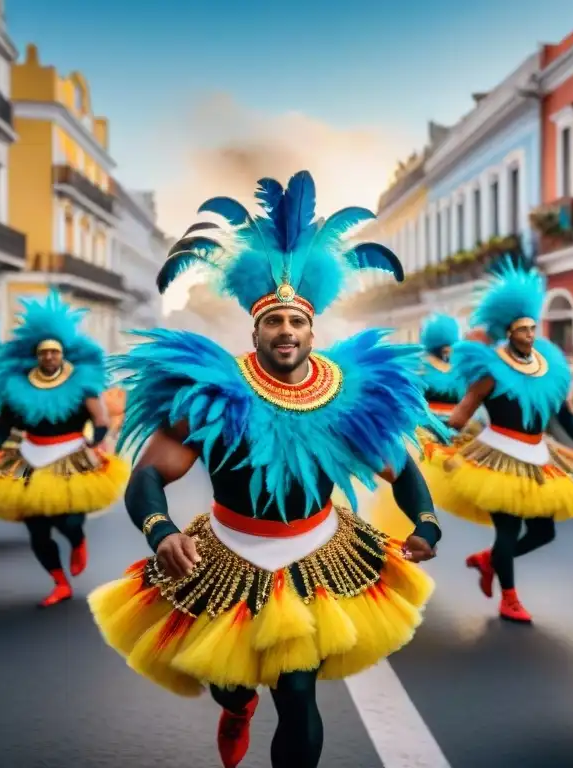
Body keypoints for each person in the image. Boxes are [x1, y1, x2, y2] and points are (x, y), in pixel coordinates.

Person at [87, 172, 441, 768]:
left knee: (298, 692)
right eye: (274, 322)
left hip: (317, 552)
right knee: (231, 679)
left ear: (312, 330)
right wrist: (161, 531)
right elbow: (147, 476)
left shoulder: (347, 398)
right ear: (255, 329)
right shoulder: (215, 395)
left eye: (296, 322)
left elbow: (400, 468)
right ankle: (234, 703)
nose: (286, 331)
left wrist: (425, 523)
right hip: (227, 551)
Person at [427, 259, 573, 623]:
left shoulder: (549, 370)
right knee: (508, 529)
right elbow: (462, 414)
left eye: (533, 329)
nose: (530, 335)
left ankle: (489, 560)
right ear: (509, 332)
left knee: (543, 531)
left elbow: (565, 416)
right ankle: (509, 597)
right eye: (523, 330)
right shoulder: (491, 370)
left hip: (538, 454)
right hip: (496, 454)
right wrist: (429, 430)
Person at [0, 290, 127, 607]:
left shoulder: (82, 383)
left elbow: (100, 419)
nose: (50, 358)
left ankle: (77, 541)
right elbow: (2, 427)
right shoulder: (19, 386)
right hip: (28, 456)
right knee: (37, 530)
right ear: (37, 356)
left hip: (71, 454)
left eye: (54, 352)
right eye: (44, 353)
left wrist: (95, 441)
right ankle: (59, 582)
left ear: (62, 354)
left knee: (68, 522)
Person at [367, 311, 472, 540]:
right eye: (445, 345)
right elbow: (413, 402)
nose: (448, 350)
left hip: (456, 428)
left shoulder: (457, 368)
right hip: (426, 426)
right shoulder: (420, 366)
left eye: (450, 345)